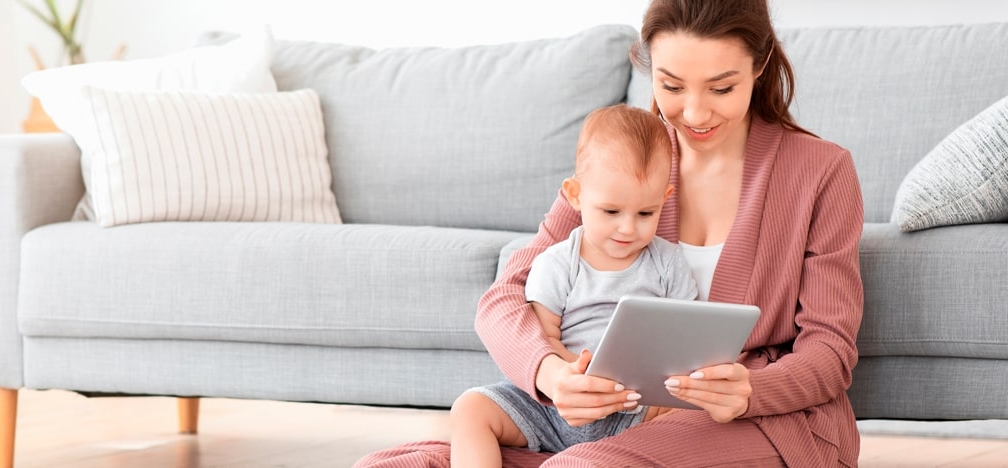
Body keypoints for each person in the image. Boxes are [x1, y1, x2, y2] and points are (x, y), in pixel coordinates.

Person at [355, 0, 864, 465]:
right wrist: (550, 374)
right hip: (603, 421)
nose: (694, 113)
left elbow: (831, 351)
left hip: (763, 423)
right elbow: (504, 296)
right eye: (670, 86)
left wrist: (752, 389)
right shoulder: (626, 158)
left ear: (759, 65)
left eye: (721, 87)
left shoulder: (821, 171)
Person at [449, 104, 698, 467]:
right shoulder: (558, 261)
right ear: (575, 195)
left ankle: (606, 457)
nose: (628, 228)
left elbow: (683, 339)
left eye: (646, 213)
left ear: (665, 197)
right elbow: (543, 336)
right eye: (611, 212)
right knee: (470, 408)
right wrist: (569, 375)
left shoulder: (668, 263)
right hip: (553, 408)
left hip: (635, 409)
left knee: (690, 412)